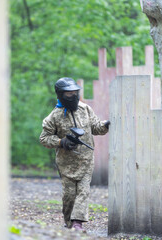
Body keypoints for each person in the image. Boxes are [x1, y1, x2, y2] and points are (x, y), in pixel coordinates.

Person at [39, 77, 110, 232]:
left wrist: (106, 125)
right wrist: (61, 142)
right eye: (69, 93)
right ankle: (69, 222)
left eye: (75, 92)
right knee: (70, 195)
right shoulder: (54, 116)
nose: (73, 96)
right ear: (60, 95)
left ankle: (77, 223)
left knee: (83, 192)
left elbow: (96, 128)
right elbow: (44, 138)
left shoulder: (85, 109)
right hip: (66, 163)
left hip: (86, 160)